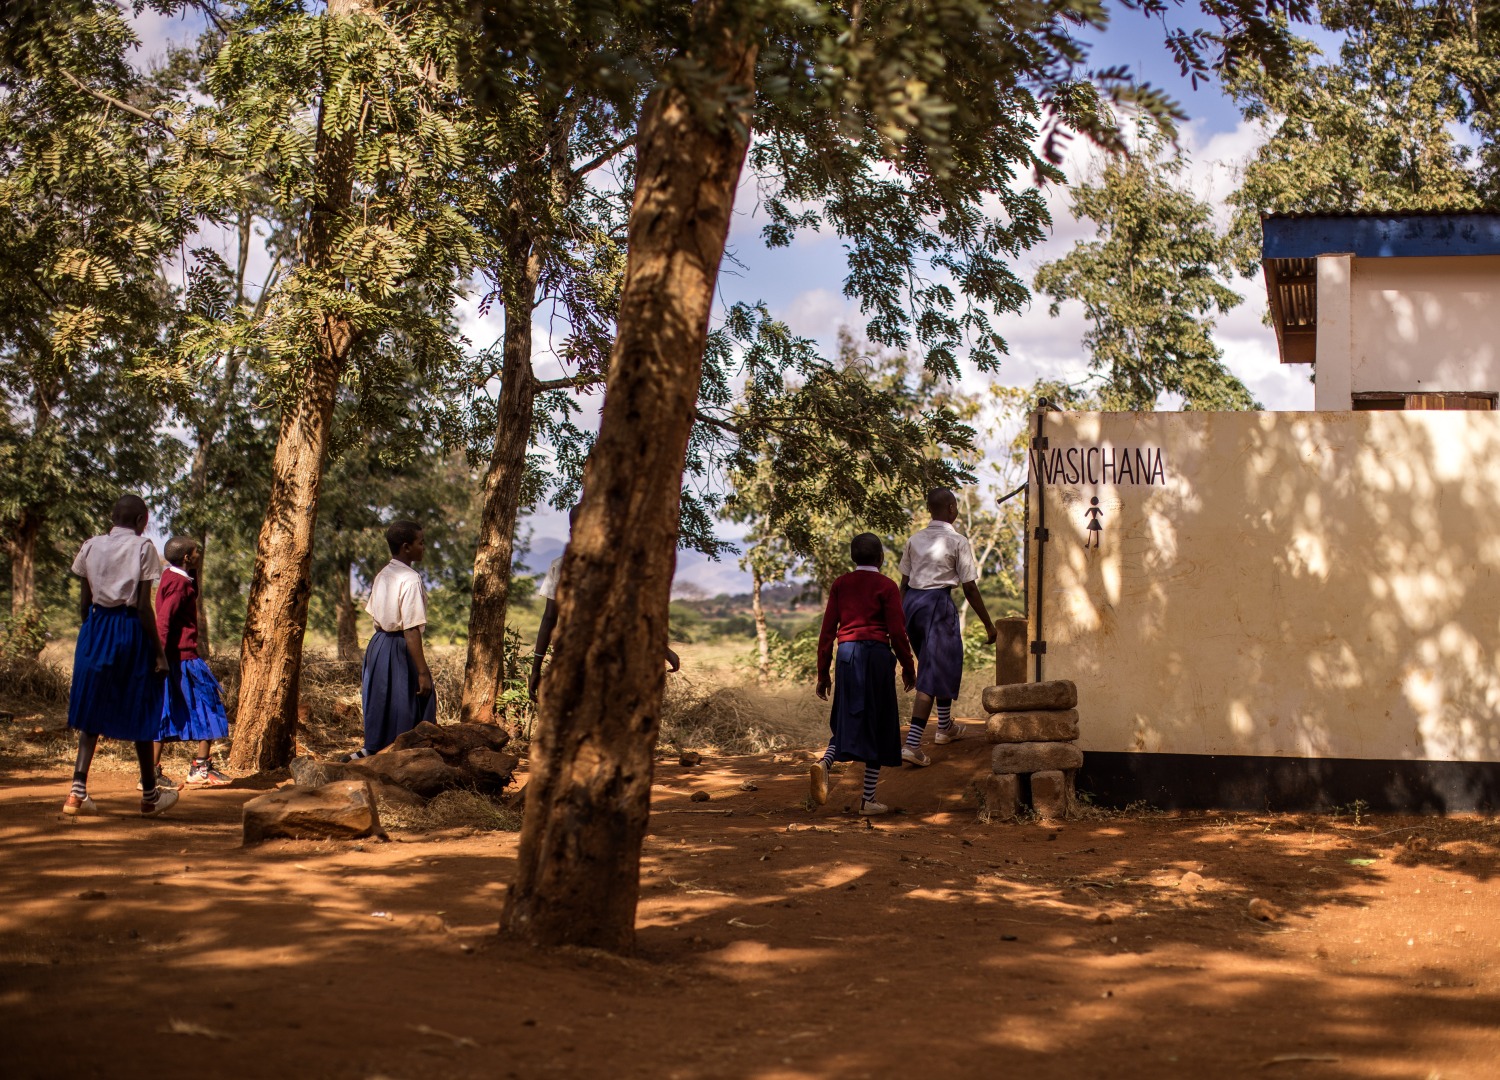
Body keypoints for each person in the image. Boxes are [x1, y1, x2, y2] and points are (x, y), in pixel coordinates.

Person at [62, 494, 180, 817]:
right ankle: (150, 795)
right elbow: (143, 606)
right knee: (140, 704)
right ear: (142, 522)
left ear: (112, 518)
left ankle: (76, 793)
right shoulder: (143, 548)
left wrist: (92, 635)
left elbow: (84, 603)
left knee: (91, 706)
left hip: (96, 627)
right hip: (130, 629)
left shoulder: (90, 545)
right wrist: (159, 654)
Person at [810, 532, 916, 816]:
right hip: (876, 658)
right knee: (878, 723)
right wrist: (908, 666)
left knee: (847, 716)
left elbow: (827, 631)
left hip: (846, 657)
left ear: (852, 558)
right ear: (881, 558)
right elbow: (897, 631)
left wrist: (823, 672)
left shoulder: (841, 584)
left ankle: (825, 763)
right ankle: (868, 800)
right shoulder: (887, 585)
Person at [528, 504, 680, 701]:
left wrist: (536, 669)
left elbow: (629, 615)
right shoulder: (566, 566)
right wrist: (536, 668)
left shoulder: (607, 568)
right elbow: (550, 618)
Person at [897, 487, 997, 766]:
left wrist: (899, 618)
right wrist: (989, 625)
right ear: (952, 508)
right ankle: (913, 745)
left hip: (911, 607)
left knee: (935, 663)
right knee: (932, 670)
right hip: (937, 605)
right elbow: (970, 588)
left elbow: (903, 584)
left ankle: (945, 727)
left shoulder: (914, 540)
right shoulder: (957, 541)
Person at [347, 520, 435, 760]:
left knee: (382, 701)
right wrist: (423, 671)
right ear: (406, 547)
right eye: (421, 542)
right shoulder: (410, 579)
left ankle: (371, 750)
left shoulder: (383, 574)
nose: (424, 547)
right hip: (399, 647)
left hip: (379, 645)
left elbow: (376, 614)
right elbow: (411, 629)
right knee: (411, 704)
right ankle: (404, 759)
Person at [156, 537, 231, 786]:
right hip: (182, 659)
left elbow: (193, 593)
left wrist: (194, 572)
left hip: (172, 658)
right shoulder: (179, 585)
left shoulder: (173, 577)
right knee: (210, 705)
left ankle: (152, 772)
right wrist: (159, 656)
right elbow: (164, 621)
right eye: (196, 552)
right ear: (187, 557)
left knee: (165, 713)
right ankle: (200, 768)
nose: (200, 554)